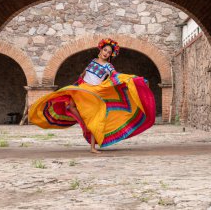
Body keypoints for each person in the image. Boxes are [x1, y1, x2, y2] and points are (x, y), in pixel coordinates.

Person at [28, 38, 156, 153]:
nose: (106, 53)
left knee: (94, 119)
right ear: (100, 49)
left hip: (94, 92)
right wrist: (79, 81)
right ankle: (83, 121)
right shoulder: (93, 60)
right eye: (105, 50)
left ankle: (93, 147)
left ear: (111, 55)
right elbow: (84, 73)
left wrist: (132, 80)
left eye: (108, 52)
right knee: (70, 106)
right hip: (83, 87)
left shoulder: (108, 66)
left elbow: (115, 76)